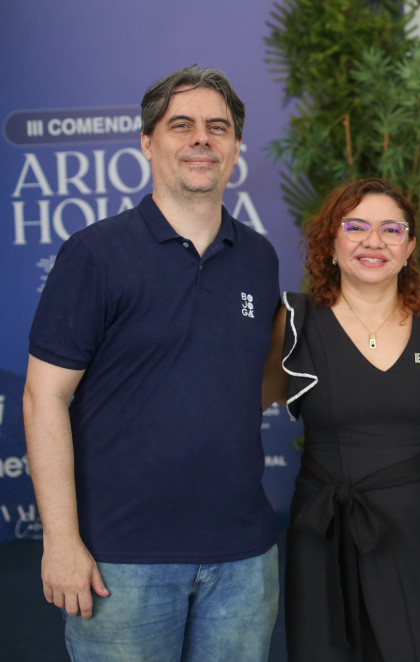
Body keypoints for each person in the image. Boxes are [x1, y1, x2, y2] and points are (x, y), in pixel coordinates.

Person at [22, 66, 280, 661]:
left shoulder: (259, 259)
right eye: (181, 125)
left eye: (218, 127)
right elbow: (44, 398)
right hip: (122, 560)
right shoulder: (94, 254)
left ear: (236, 146)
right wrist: (60, 540)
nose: (201, 139)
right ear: (147, 141)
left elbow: (253, 382)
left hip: (243, 558)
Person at [262, 178, 420, 661]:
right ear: (330, 242)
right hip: (325, 538)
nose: (373, 241)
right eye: (354, 226)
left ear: (410, 246)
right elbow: (234, 415)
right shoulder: (295, 322)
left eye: (391, 229)